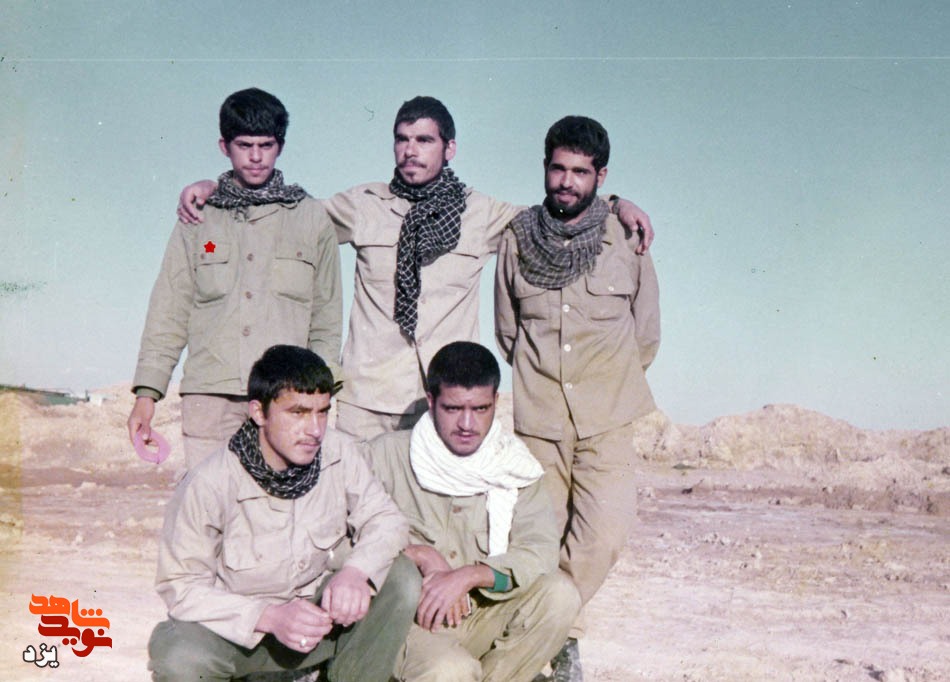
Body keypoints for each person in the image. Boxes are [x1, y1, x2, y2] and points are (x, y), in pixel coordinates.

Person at [176, 96, 654, 440]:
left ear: (449, 148)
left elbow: (558, 212)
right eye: (402, 140)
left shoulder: (482, 213)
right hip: (368, 399)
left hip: (443, 401)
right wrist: (220, 187)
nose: (411, 150)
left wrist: (615, 203)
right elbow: (288, 217)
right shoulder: (363, 204)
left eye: (424, 140)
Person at [494, 116, 661, 681]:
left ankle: (549, 628)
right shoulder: (518, 239)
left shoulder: (627, 239)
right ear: (545, 168)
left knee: (604, 536)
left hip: (607, 418)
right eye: (558, 169)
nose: (567, 181)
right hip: (539, 420)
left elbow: (646, 333)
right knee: (538, 537)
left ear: (601, 176)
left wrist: (606, 382)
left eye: (581, 172)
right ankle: (556, 646)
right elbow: (509, 330)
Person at [147, 344, 419, 681]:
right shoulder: (211, 482)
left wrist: (355, 573)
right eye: (298, 413)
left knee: (400, 577)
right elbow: (181, 587)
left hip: (319, 626)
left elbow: (387, 519)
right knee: (179, 654)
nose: (315, 429)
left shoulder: (339, 452)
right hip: (246, 636)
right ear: (259, 413)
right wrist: (270, 616)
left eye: (322, 412)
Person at [129, 88, 343, 466]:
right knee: (209, 499)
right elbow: (170, 309)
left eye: (266, 145)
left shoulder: (310, 218)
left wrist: (316, 396)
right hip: (210, 401)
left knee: (280, 502)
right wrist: (147, 394)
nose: (256, 157)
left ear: (280, 146)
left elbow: (326, 317)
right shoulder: (198, 219)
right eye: (244, 145)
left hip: (285, 399)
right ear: (224, 146)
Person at [361, 341, 580, 682]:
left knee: (561, 596)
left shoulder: (515, 466)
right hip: (410, 622)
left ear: (496, 402)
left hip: (482, 614)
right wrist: (418, 555)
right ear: (431, 401)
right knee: (452, 671)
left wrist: (470, 576)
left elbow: (539, 553)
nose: (467, 423)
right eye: (453, 408)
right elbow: (342, 539)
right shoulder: (383, 458)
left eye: (480, 409)